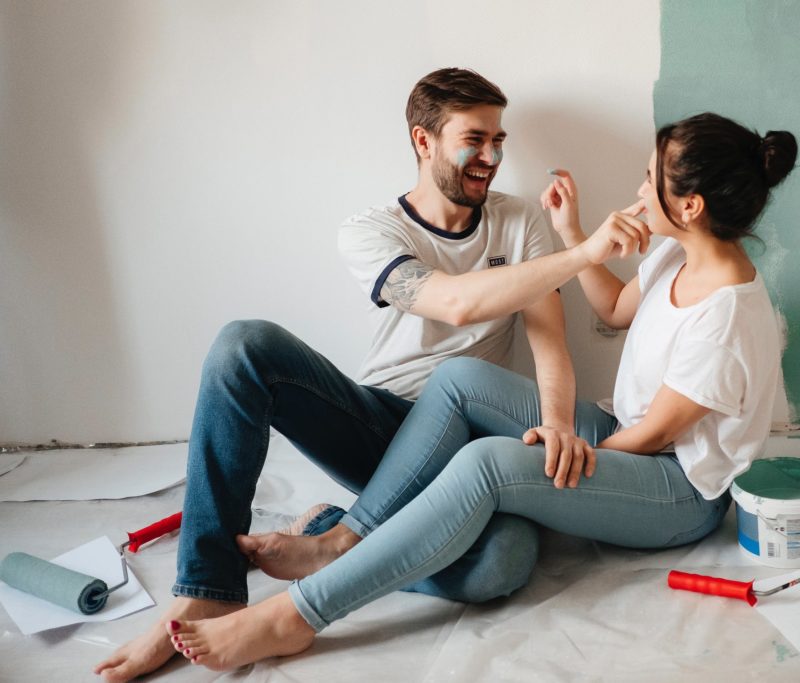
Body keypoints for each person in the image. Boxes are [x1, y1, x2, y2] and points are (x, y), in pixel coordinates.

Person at [157, 112, 799, 672]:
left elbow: (659, 435)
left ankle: (294, 619)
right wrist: (575, 232)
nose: (638, 189)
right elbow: (613, 306)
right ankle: (345, 539)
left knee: (490, 465)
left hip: (677, 488)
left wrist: (564, 449)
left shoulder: (729, 317)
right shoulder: (675, 254)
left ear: (690, 206)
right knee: (460, 378)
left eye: (650, 178)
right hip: (628, 435)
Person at [94, 67, 642, 683]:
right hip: (381, 428)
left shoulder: (520, 223)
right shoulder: (371, 230)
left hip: (474, 446)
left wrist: (560, 424)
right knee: (243, 346)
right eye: (474, 139)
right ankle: (207, 586)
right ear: (423, 140)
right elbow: (455, 302)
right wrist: (584, 252)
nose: (490, 156)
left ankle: (336, 536)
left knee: (503, 564)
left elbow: (549, 343)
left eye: (498, 140)